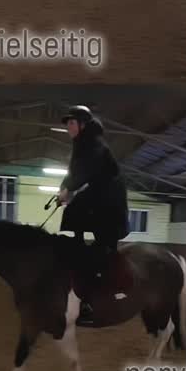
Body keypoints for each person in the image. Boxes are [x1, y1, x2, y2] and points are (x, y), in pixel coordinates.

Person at [57, 105, 130, 325]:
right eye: (68, 124)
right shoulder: (81, 144)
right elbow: (73, 172)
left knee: (101, 252)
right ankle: (78, 252)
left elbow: (85, 171)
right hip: (98, 198)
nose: (69, 128)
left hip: (109, 203)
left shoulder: (95, 144)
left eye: (72, 123)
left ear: (83, 124)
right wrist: (63, 190)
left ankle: (99, 300)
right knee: (74, 217)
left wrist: (69, 189)